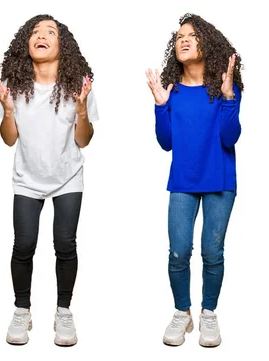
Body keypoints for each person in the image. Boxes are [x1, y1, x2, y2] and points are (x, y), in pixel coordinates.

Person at [0, 14, 98, 346]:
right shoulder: (15, 85)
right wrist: (8, 111)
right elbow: (9, 140)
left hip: (67, 177)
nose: (41, 35)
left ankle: (63, 311)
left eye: (50, 32)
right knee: (23, 245)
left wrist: (81, 112)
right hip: (27, 178)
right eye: (35, 32)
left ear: (62, 45)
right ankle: (22, 310)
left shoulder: (78, 85)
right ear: (27, 44)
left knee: (65, 245)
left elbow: (84, 140)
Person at [146, 13, 243, 348]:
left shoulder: (225, 86)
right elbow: (166, 142)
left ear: (207, 42)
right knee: (178, 252)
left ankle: (209, 314)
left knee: (212, 252)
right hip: (183, 182)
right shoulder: (171, 91)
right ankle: (182, 312)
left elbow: (230, 138)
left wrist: (229, 98)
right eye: (178, 37)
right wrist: (160, 106)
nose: (183, 40)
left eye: (191, 35)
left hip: (220, 180)